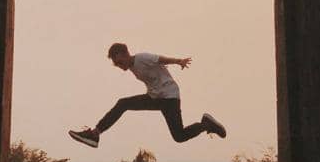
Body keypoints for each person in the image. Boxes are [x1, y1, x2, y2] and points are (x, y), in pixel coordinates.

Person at [68, 42, 226, 148]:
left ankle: (206, 124)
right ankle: (95, 134)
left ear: (125, 54)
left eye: (119, 62)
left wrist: (179, 61)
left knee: (179, 136)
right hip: (155, 98)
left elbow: (160, 59)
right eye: (116, 64)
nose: (118, 66)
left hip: (169, 97)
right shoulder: (131, 67)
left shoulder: (142, 58)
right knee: (123, 104)